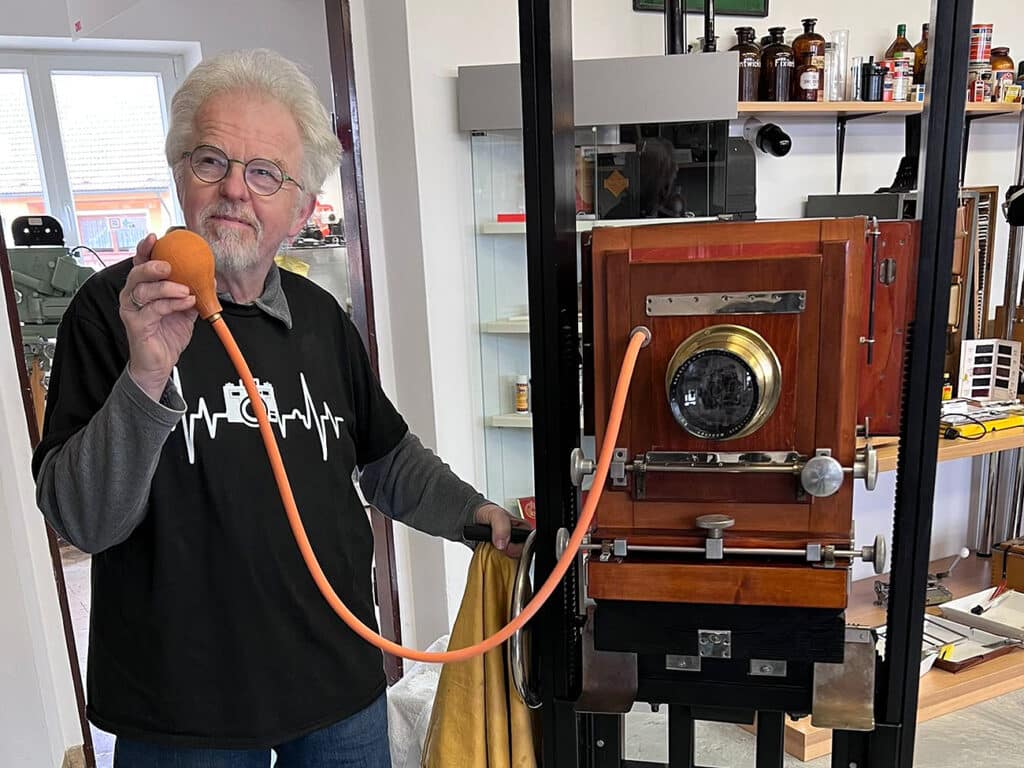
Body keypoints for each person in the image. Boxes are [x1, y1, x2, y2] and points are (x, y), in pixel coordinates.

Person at [33, 48, 524, 768]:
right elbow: (81, 522)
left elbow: (386, 458)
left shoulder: (322, 318)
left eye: (264, 173)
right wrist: (146, 373)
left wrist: (472, 514)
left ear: (299, 210)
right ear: (180, 174)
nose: (234, 189)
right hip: (179, 712)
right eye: (211, 161)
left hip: (337, 690)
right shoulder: (110, 313)